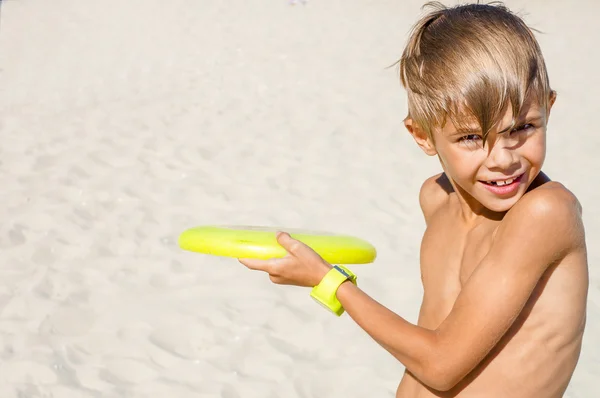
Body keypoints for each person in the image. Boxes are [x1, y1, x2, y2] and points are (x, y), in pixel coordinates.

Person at [239, 2, 589, 397]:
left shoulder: (545, 213)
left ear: (548, 108)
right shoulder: (436, 199)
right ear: (422, 135)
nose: (504, 159)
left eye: (523, 127)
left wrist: (329, 281)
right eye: (472, 137)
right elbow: (430, 345)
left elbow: (440, 367)